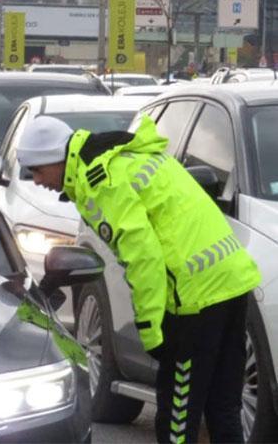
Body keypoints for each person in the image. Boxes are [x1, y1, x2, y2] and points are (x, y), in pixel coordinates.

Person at [16, 115, 261, 444]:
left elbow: (142, 256)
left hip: (194, 298)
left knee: (178, 417)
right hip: (232, 282)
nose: (36, 181)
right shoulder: (127, 155)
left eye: (37, 171)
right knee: (224, 406)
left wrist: (151, 329)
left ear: (56, 160)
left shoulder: (101, 180)